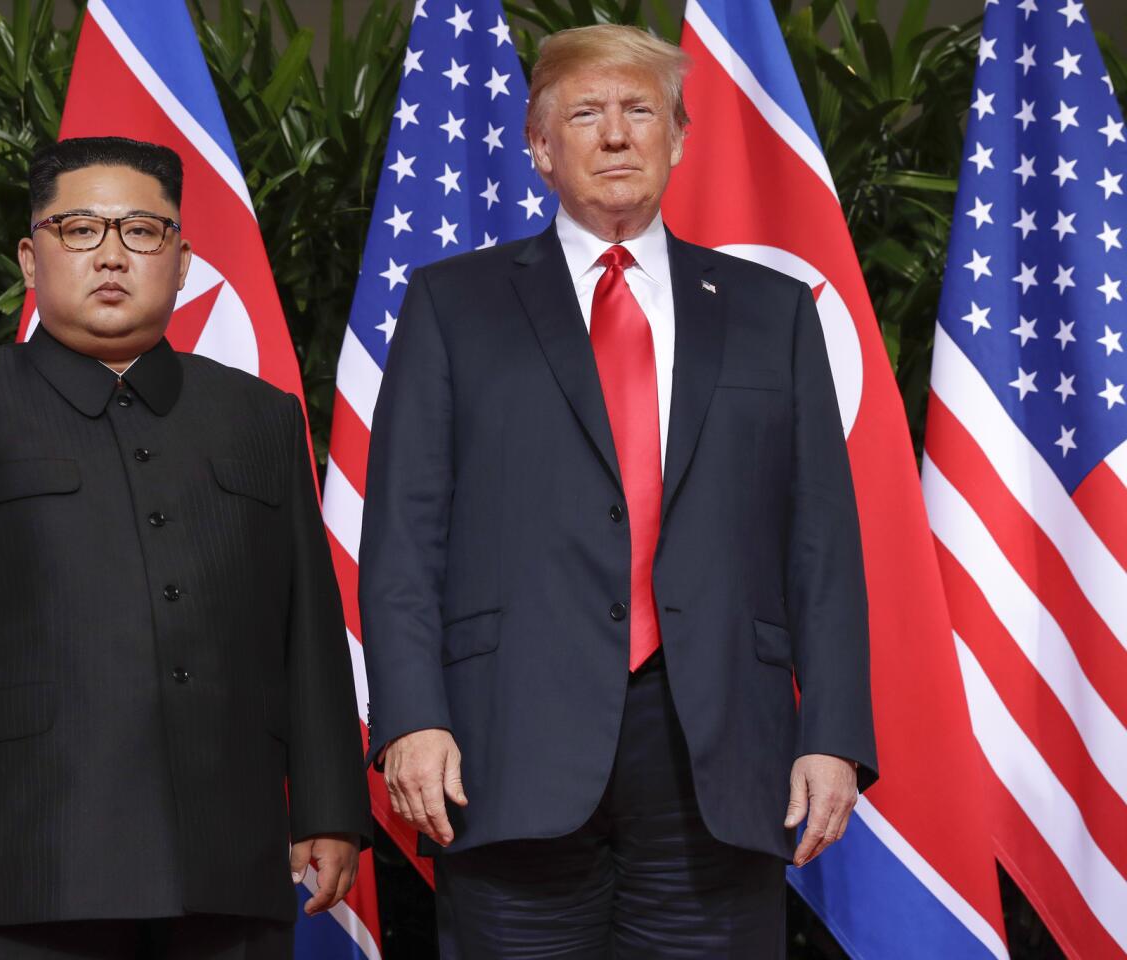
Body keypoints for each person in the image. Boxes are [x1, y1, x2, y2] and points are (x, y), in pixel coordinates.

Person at [361, 25, 876, 959]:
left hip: (718, 752)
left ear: (679, 137)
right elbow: (402, 535)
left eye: (640, 110)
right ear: (539, 146)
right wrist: (411, 718)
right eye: (584, 113)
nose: (614, 134)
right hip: (504, 748)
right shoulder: (452, 305)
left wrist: (832, 732)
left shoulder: (774, 314)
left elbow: (823, 546)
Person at [0, 136, 370, 960]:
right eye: (80, 229)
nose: (112, 255)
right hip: (25, 854)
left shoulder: (260, 418)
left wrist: (331, 807)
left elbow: (307, 627)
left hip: (226, 853)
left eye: (143, 232)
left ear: (184, 259)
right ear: (30, 255)